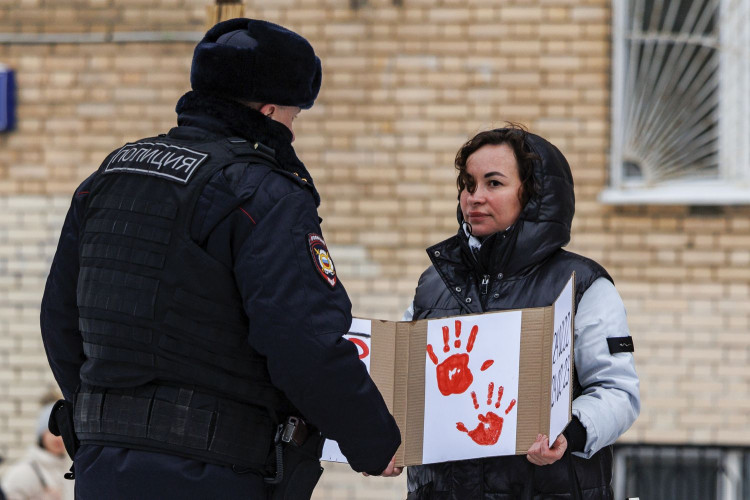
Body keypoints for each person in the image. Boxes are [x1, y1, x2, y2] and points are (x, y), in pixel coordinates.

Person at [39, 18, 401, 499]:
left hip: (104, 469)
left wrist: (107, 420)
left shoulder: (110, 175)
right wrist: (373, 439)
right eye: (294, 115)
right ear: (271, 111)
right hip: (215, 473)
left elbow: (60, 320)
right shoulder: (262, 193)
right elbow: (302, 341)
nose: (293, 128)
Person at [402, 126, 640, 499]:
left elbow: (617, 391)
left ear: (531, 195)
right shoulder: (433, 285)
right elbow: (403, 386)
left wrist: (570, 430)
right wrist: (383, 438)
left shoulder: (581, 284)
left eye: (493, 183)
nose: (474, 197)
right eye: (468, 184)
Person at [0, 402, 74, 500]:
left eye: (63, 433)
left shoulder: (73, 469)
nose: (58, 438)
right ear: (41, 435)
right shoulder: (24, 471)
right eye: (53, 432)